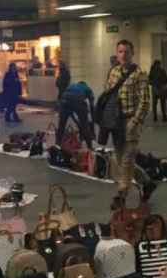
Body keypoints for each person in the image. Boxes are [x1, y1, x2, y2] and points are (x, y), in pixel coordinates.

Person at [101, 40, 150, 205]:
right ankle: (146, 182)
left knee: (127, 159)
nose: (123, 55)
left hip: (131, 121)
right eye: (120, 52)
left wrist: (135, 122)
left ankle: (121, 194)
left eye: (127, 52)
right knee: (121, 159)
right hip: (116, 122)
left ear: (132, 53)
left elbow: (144, 102)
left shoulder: (139, 74)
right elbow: (108, 94)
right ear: (117, 53)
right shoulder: (114, 72)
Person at [57, 80, 95, 149]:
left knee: (61, 126)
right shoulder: (87, 88)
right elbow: (92, 105)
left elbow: (71, 112)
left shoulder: (71, 86)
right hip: (78, 100)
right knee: (85, 126)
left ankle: (57, 145)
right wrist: (92, 120)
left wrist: (77, 122)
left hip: (64, 101)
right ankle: (90, 147)